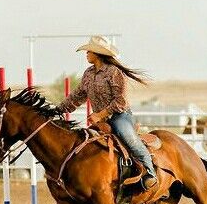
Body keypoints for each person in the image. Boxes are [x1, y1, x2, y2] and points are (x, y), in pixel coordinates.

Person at [56, 35, 157, 190]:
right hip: (100, 121)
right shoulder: (88, 73)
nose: (86, 53)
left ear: (97, 53)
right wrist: (58, 109)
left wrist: (100, 115)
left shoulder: (114, 72)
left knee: (128, 138)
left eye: (89, 50)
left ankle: (150, 173)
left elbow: (120, 101)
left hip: (120, 116)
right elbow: (78, 96)